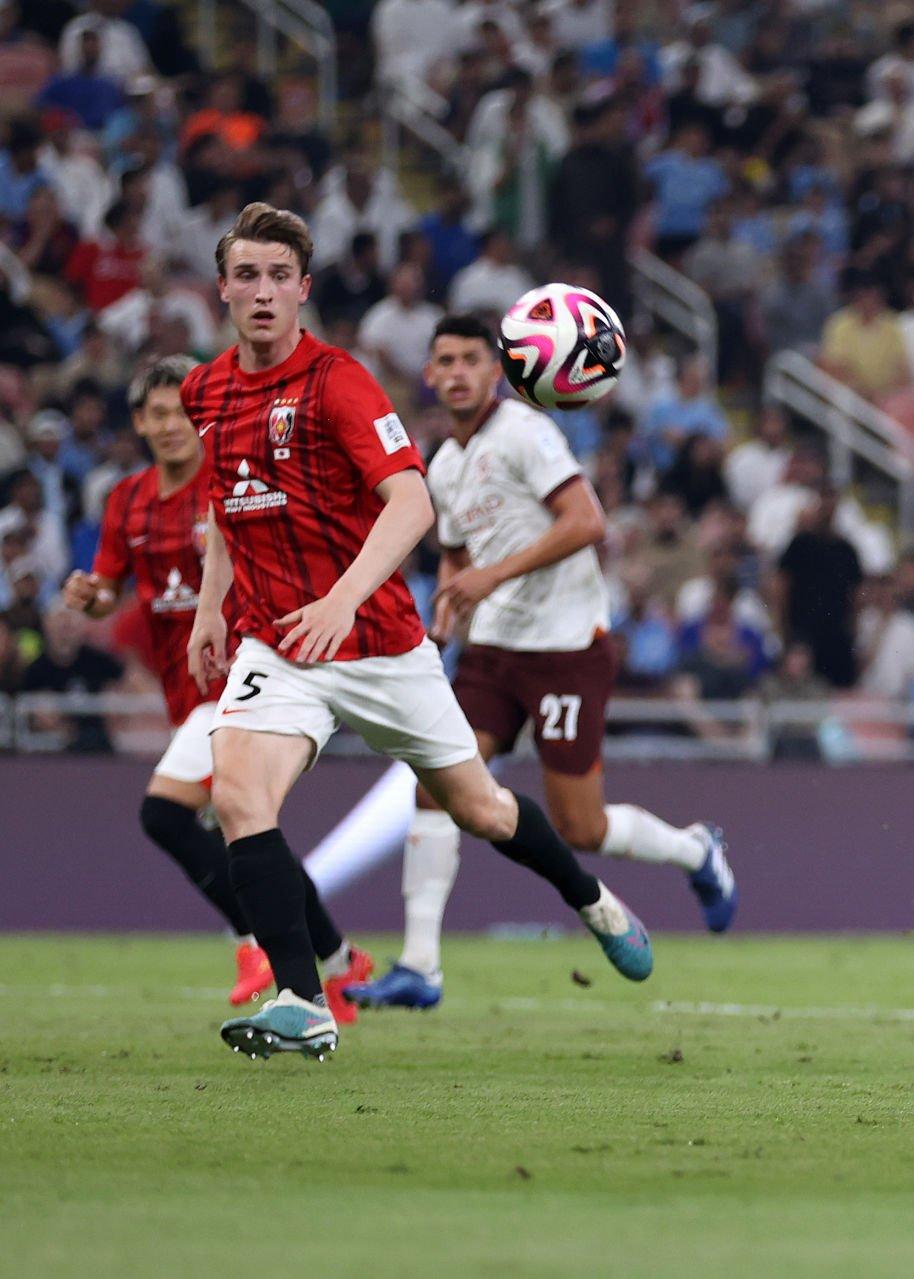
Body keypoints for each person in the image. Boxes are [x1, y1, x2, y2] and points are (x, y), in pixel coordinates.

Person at [184, 203, 657, 1061]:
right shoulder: (204, 390)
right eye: (246, 275)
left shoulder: (339, 383)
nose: (262, 292)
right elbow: (224, 501)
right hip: (278, 642)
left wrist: (343, 600)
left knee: (479, 806)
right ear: (222, 288)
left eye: (278, 277)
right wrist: (213, 604)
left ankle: (594, 901)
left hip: (377, 642)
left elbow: (412, 502)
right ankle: (302, 997)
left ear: (303, 291)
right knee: (236, 797)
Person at [345, 314, 736, 1011]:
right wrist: (455, 599)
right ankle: (421, 967)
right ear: (429, 375)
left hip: (565, 650)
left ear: (496, 371)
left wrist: (489, 578)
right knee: (435, 784)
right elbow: (459, 554)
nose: (458, 372)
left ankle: (696, 849)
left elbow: (587, 521)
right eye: (446, 361)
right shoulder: (441, 465)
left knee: (579, 827)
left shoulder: (526, 433)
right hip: (493, 651)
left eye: (471, 359)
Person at [61, 356, 366, 1015]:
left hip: (245, 683)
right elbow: (107, 588)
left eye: (183, 412)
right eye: (158, 413)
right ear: (140, 422)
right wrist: (88, 595)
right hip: (186, 693)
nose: (173, 426)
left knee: (165, 811)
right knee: (251, 830)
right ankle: (339, 962)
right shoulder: (128, 499)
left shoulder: (235, 482)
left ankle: (256, 938)